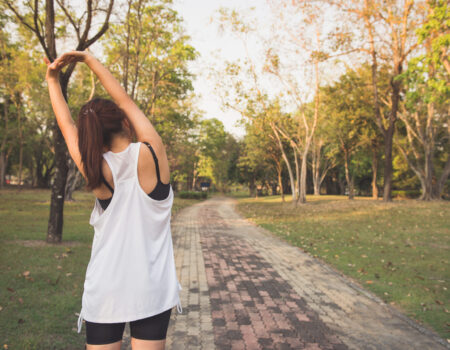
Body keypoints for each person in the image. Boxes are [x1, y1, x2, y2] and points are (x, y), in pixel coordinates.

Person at [44, 50, 182, 350]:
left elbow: (67, 126)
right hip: (152, 289)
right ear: (122, 120)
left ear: (92, 136)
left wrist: (53, 80)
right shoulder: (152, 153)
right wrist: (88, 59)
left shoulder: (94, 167)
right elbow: (125, 101)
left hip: (105, 289)